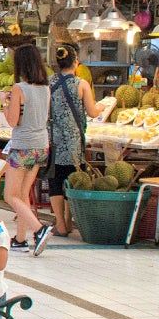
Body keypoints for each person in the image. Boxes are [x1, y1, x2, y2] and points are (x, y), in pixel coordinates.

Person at [2, 43, 53, 254]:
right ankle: (20, 239)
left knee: (9, 196)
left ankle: (39, 229)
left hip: (22, 146)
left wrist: (4, 103)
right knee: (23, 193)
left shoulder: (19, 89)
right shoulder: (46, 88)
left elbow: (13, 121)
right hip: (42, 146)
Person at [47, 43, 98, 237]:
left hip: (54, 139)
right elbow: (92, 112)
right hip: (74, 140)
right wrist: (103, 106)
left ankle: (60, 224)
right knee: (73, 179)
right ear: (75, 62)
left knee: (55, 180)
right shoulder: (81, 84)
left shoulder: (49, 83)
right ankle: (68, 221)